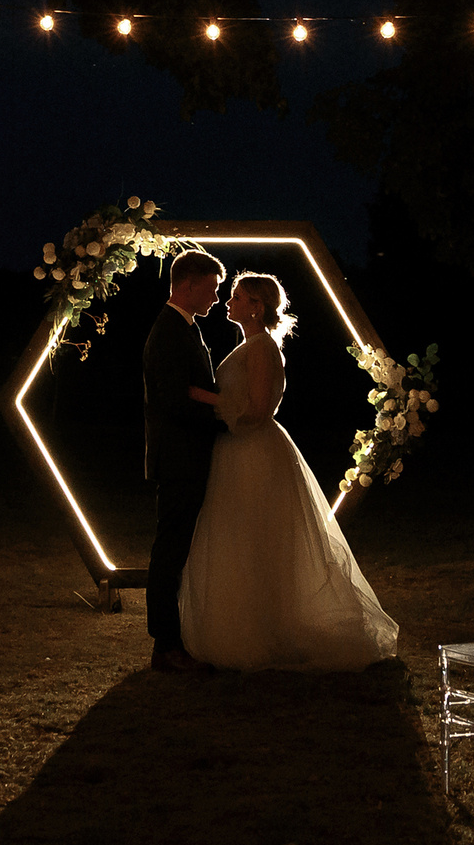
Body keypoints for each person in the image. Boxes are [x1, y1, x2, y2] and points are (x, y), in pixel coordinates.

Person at [177, 271, 400, 672]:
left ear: (256, 307)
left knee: (257, 540)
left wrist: (202, 396)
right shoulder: (251, 346)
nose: (228, 302)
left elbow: (258, 410)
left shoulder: (262, 348)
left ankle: (262, 632)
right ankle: (244, 626)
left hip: (254, 453)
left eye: (237, 297)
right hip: (236, 450)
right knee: (239, 540)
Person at [143, 250, 228, 674]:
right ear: (188, 284)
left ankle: (173, 641)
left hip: (185, 457)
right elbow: (175, 401)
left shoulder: (185, 328)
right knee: (170, 551)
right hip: (179, 459)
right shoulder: (169, 332)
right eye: (211, 289)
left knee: (177, 548)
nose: (215, 297)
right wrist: (225, 418)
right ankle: (165, 645)